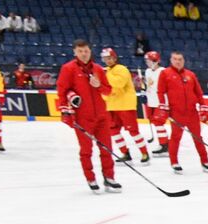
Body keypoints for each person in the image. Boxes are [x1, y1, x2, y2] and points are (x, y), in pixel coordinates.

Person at [56, 38, 120, 193]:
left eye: (86, 51)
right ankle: (90, 178)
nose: (83, 54)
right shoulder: (68, 68)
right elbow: (62, 91)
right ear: (74, 52)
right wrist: (66, 112)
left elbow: (108, 90)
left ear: (90, 51)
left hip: (101, 115)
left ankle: (109, 177)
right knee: (86, 150)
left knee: (106, 148)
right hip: (82, 117)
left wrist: (99, 86)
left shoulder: (98, 69)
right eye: (80, 51)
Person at [156, 51, 208, 172]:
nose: (178, 61)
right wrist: (164, 107)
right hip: (176, 112)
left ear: (183, 60)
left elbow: (198, 92)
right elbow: (161, 92)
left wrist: (203, 106)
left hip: (192, 112)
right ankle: (174, 161)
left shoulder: (190, 74)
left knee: (197, 137)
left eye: (180, 59)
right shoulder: (165, 73)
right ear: (171, 60)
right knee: (175, 137)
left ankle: (205, 160)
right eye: (175, 59)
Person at [101, 47, 148, 164]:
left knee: (133, 131)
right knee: (113, 131)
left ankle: (144, 152)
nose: (107, 60)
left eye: (109, 58)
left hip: (125, 105)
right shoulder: (105, 71)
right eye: (105, 58)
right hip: (111, 106)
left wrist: (105, 74)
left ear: (115, 58)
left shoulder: (122, 69)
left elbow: (118, 83)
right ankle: (125, 152)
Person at [142, 50, 169, 155]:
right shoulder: (147, 71)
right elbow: (148, 85)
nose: (148, 63)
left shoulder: (163, 71)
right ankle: (164, 143)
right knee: (155, 122)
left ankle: (164, 144)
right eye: (146, 61)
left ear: (156, 61)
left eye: (149, 61)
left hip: (162, 102)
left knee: (158, 122)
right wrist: (144, 93)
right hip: (151, 101)